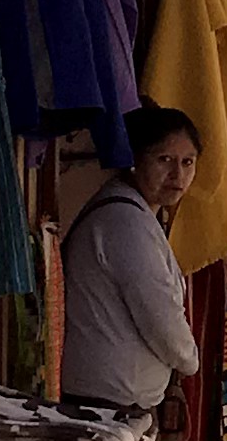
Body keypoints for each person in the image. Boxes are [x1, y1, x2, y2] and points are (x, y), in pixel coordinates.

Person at [61, 104, 204, 417]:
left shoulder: (135, 214)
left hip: (116, 402)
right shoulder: (124, 222)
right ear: (135, 160)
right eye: (163, 159)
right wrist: (189, 361)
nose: (177, 174)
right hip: (103, 407)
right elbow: (159, 315)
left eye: (187, 162)